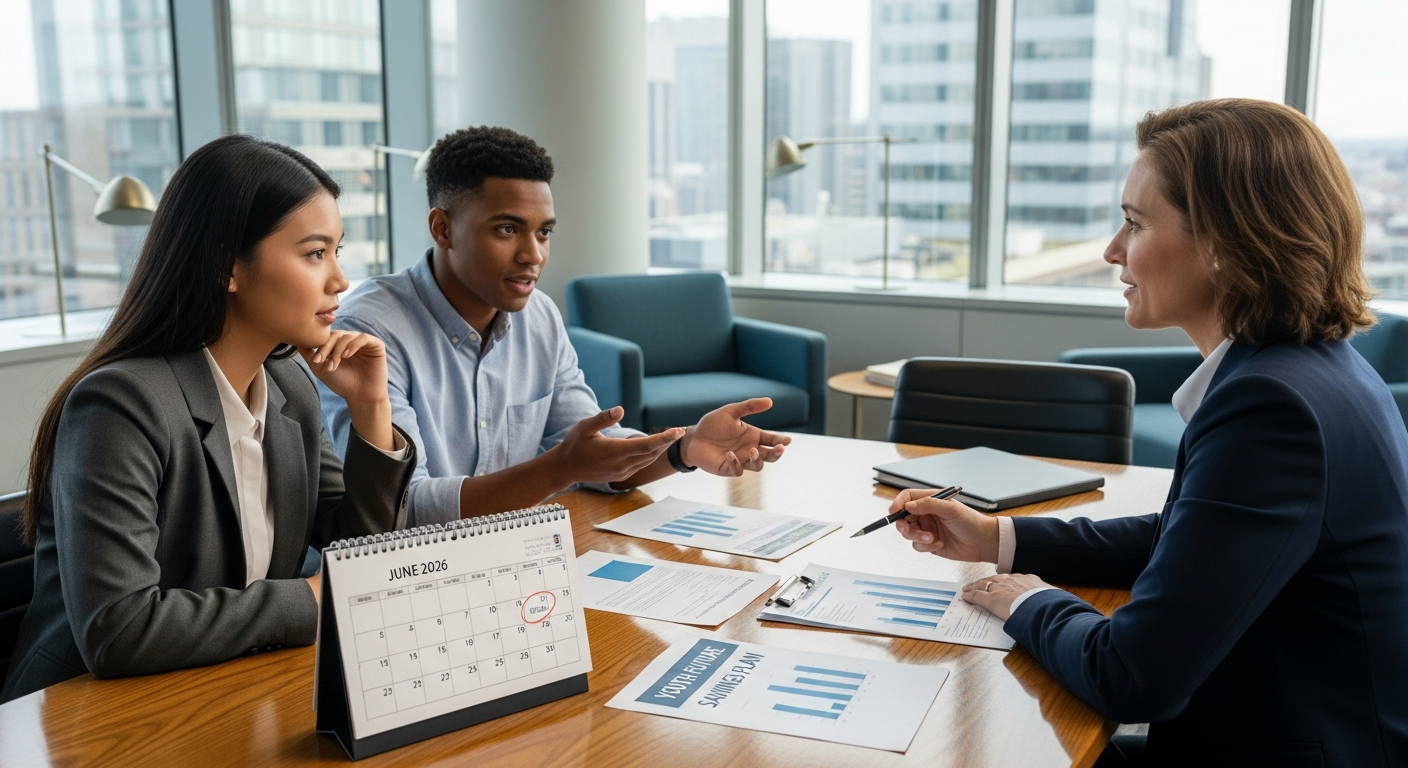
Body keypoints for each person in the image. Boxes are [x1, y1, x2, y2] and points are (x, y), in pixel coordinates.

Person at [890, 99, 1408, 766]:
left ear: (1226, 244)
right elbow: (1188, 540)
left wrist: (1032, 602)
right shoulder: (1314, 369)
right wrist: (999, 538)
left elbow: (1132, 677)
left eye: (1134, 223)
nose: (1112, 250)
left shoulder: (1270, 405)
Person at [0, 136, 416, 703]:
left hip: (225, 687)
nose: (340, 280)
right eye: (315, 253)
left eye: (337, 252)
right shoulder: (121, 405)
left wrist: (371, 409)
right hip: (89, 715)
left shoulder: (290, 386)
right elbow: (119, 629)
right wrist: (317, 597)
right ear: (228, 267)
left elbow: (363, 557)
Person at [318, 126, 789, 525]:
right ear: (442, 228)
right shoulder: (369, 332)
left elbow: (591, 455)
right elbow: (404, 509)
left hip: (518, 561)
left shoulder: (538, 316)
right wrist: (558, 469)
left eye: (543, 232)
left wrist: (683, 447)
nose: (534, 255)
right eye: (507, 229)